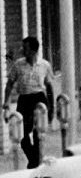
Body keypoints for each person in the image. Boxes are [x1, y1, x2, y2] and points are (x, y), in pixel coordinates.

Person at [7, 36, 53, 168]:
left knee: (39, 133)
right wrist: (6, 101)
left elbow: (49, 86)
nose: (22, 50)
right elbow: (10, 84)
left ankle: (36, 162)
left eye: (25, 48)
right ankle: (34, 159)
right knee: (22, 133)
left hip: (39, 98)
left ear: (33, 50)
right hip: (24, 99)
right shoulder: (18, 65)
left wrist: (50, 106)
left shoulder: (44, 65)